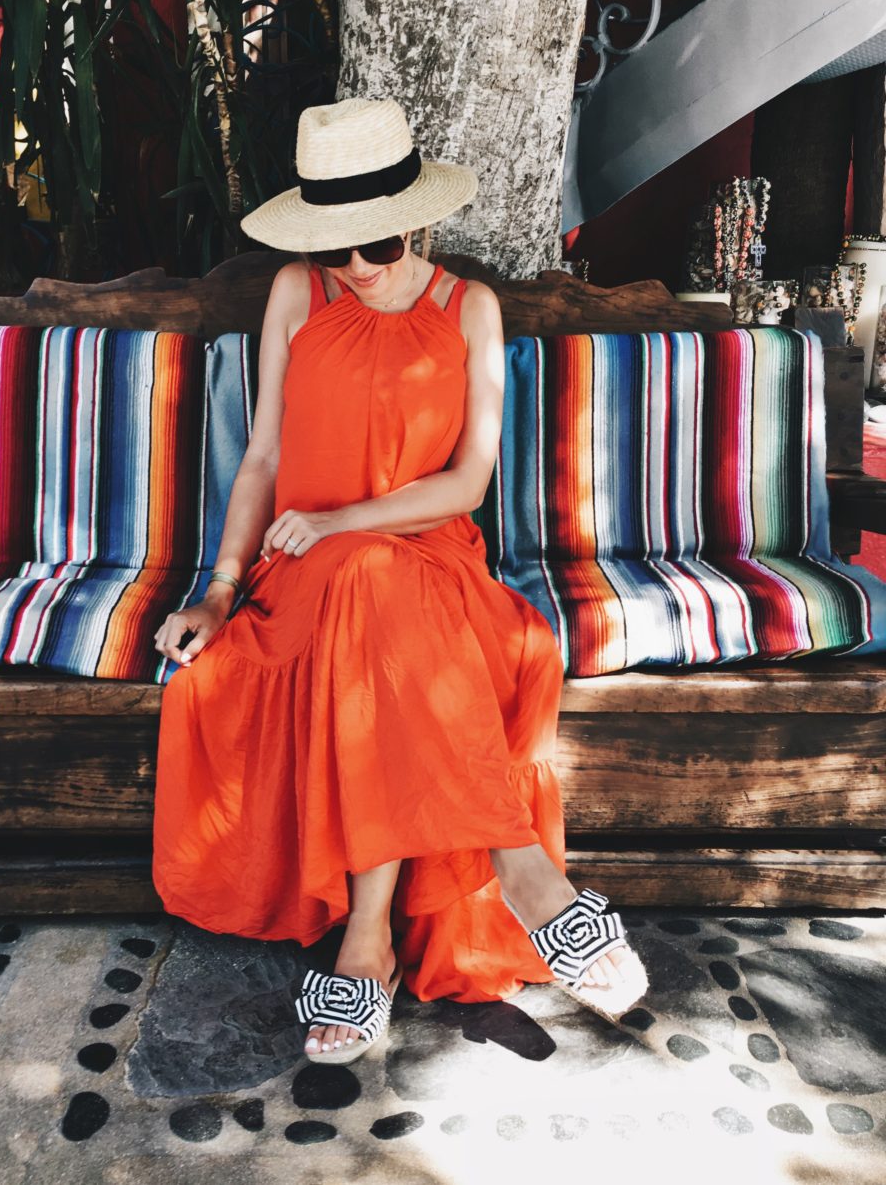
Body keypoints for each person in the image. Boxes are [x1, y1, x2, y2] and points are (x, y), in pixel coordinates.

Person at [151, 97, 647, 1066]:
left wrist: (343, 518)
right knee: (368, 588)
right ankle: (525, 872)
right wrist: (216, 586)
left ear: (413, 218)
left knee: (380, 576)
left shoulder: (470, 306)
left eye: (375, 244)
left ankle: (366, 941)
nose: (360, 268)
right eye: (339, 248)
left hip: (429, 559)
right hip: (303, 575)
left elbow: (467, 481)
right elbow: (260, 457)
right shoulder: (299, 292)